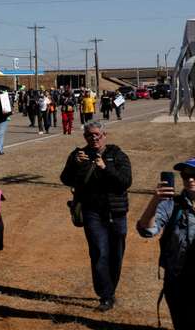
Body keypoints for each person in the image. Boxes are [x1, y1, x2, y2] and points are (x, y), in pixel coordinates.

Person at [59, 121, 132, 312]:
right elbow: (65, 179)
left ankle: (111, 288)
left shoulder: (117, 155)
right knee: (99, 252)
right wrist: (75, 164)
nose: (94, 138)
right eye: (90, 135)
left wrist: (105, 168)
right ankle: (105, 295)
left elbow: (125, 182)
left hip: (116, 212)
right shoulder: (78, 155)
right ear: (85, 137)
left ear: (104, 135)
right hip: (92, 212)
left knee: (116, 254)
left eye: (97, 134)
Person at [135, 157, 195, 327]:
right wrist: (155, 201)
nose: (190, 179)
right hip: (178, 279)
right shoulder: (171, 205)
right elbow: (146, 230)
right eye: (185, 175)